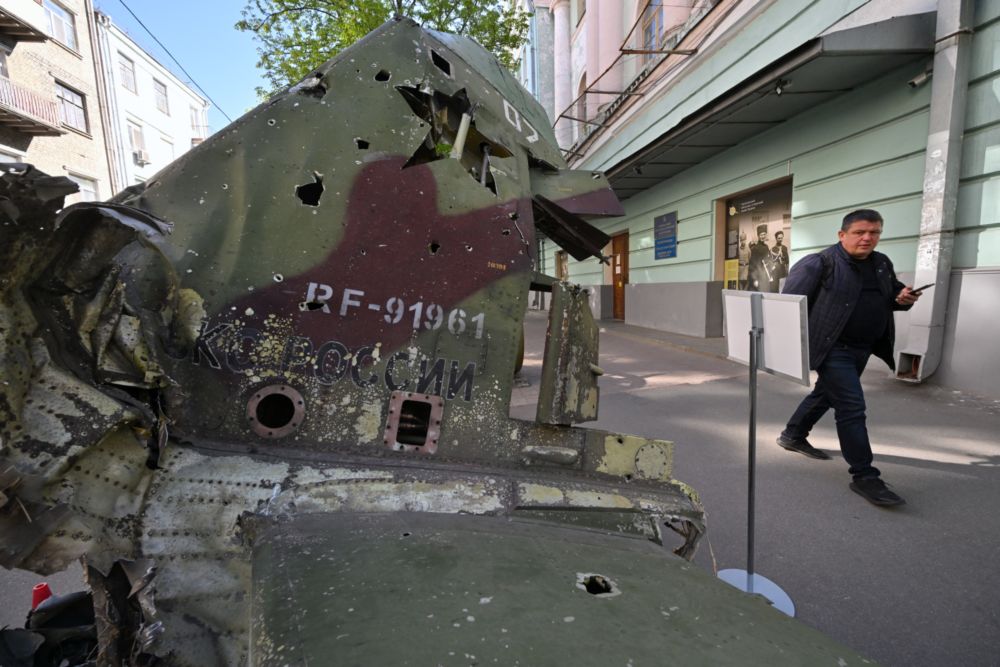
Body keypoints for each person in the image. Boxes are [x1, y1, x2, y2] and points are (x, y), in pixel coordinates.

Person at [777, 209, 920, 506]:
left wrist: (903, 298)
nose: (868, 238)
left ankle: (793, 434)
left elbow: (892, 295)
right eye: (860, 232)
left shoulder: (881, 263)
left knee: (827, 393)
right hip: (832, 348)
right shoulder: (819, 263)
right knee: (851, 406)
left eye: (874, 232)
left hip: (863, 347)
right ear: (842, 235)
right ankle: (865, 475)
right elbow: (788, 308)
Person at [747, 225, 771, 291]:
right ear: (758, 236)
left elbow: (769, 260)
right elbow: (752, 265)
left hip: (766, 276)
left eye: (764, 234)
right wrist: (755, 279)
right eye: (761, 235)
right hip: (759, 276)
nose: (763, 236)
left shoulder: (766, 247)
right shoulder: (755, 248)